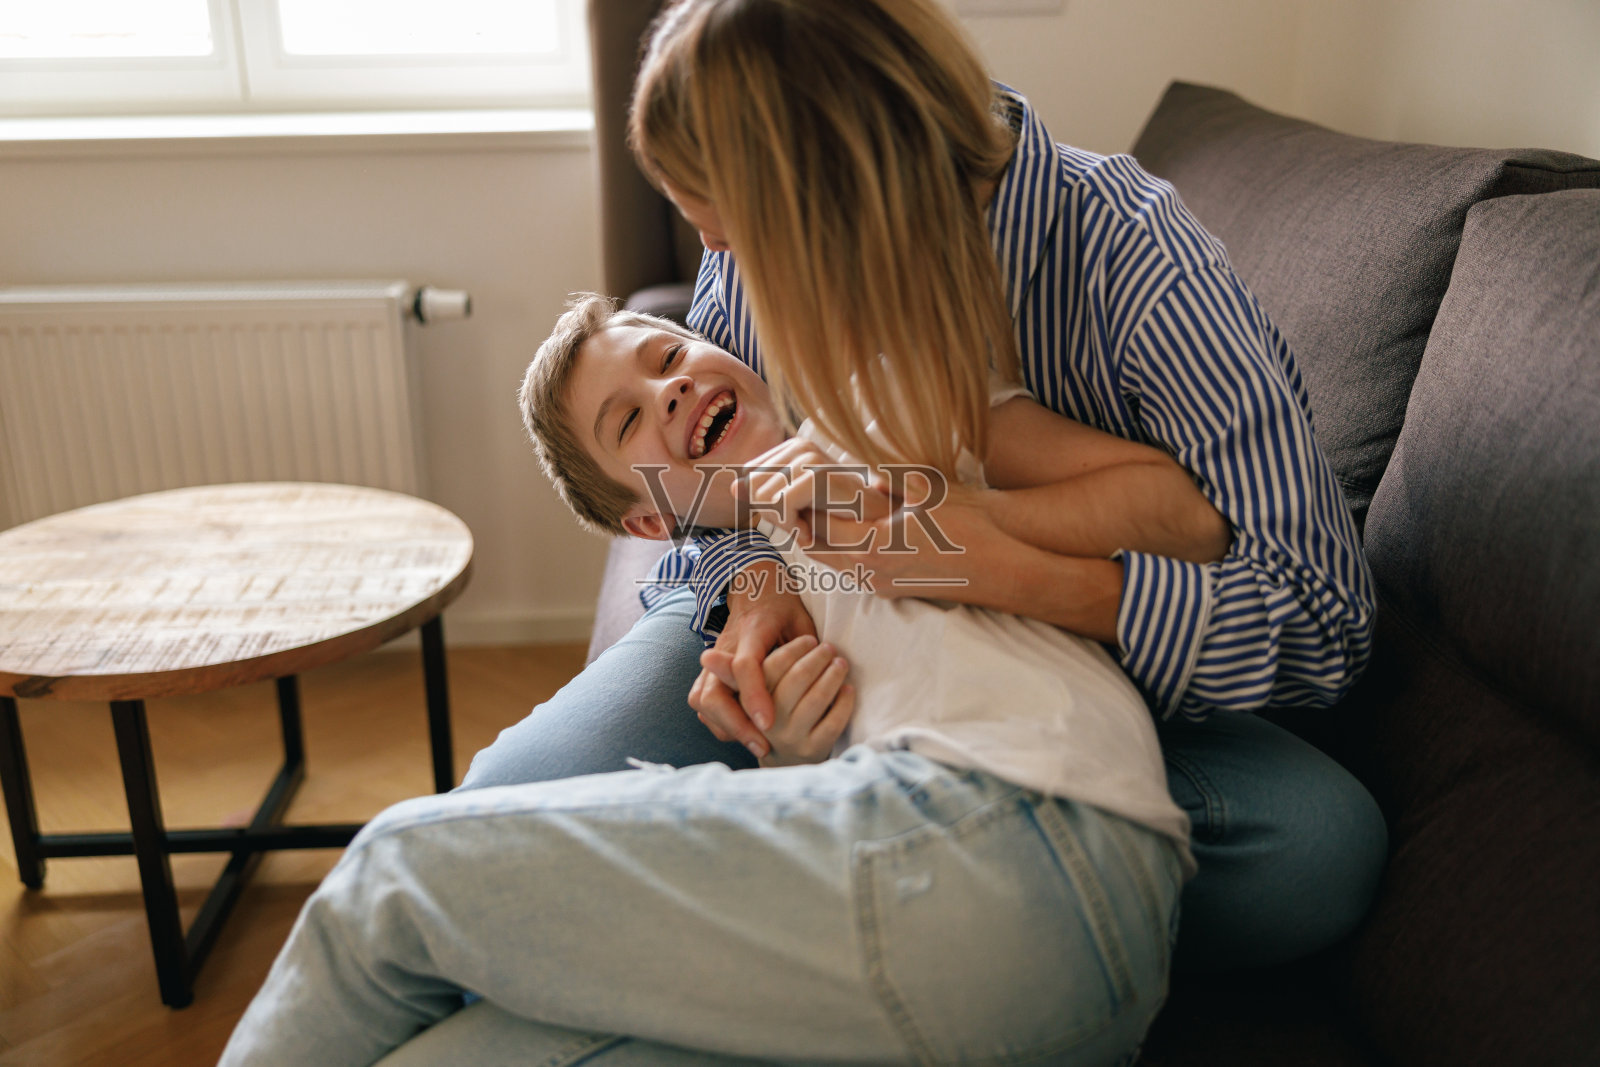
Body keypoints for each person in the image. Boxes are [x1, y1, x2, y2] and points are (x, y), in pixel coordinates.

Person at [467, 0, 1386, 973]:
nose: (723, 271)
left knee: (1318, 848)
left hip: (1067, 671)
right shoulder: (751, 266)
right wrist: (756, 591)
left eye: (735, 235)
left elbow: (1322, 621)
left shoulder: (1138, 267)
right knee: (499, 813)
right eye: (708, 237)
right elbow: (708, 477)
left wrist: (988, 559)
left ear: (833, 198)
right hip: (828, 655)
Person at [221, 291, 1221, 1066]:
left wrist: (924, 526)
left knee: (395, 869)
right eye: (628, 420)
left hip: (1031, 830)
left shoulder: (883, 406)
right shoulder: (749, 592)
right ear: (651, 518)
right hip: (1016, 975)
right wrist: (794, 760)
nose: (668, 389)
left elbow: (1181, 513)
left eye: (669, 357)